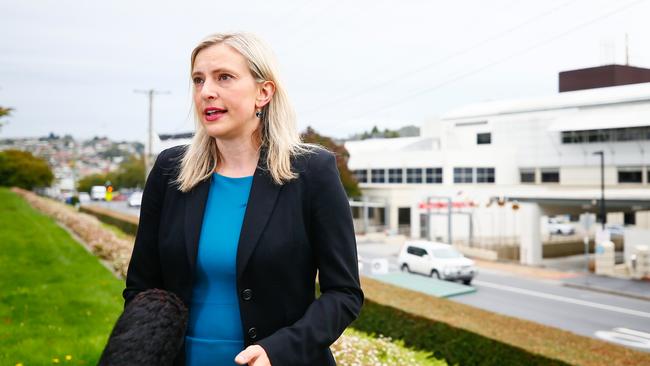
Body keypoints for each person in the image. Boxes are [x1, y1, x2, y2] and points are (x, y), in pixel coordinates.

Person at [122, 32, 364, 366]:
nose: (206, 91)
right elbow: (140, 288)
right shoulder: (169, 170)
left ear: (263, 92)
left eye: (224, 77)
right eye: (198, 80)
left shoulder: (312, 172)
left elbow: (344, 294)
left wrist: (277, 351)